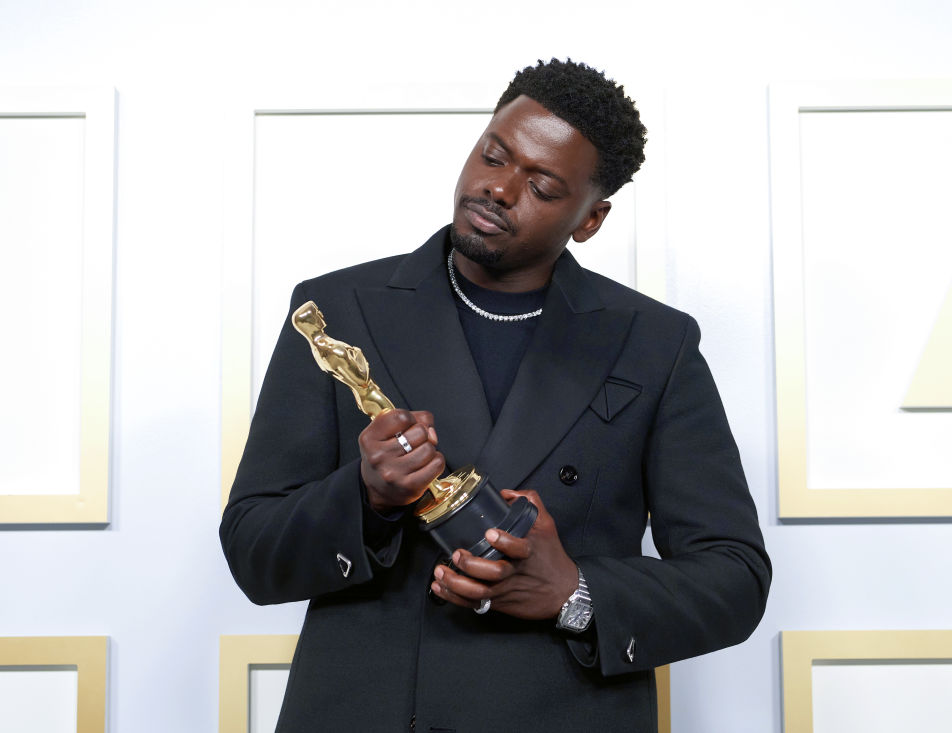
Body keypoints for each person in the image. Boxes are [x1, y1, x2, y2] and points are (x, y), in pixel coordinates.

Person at [220, 58, 771, 733]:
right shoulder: (336, 313)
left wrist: (574, 592)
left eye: (541, 185)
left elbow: (734, 578)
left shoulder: (654, 343)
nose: (499, 189)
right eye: (493, 154)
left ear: (590, 219)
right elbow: (252, 550)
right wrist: (366, 498)